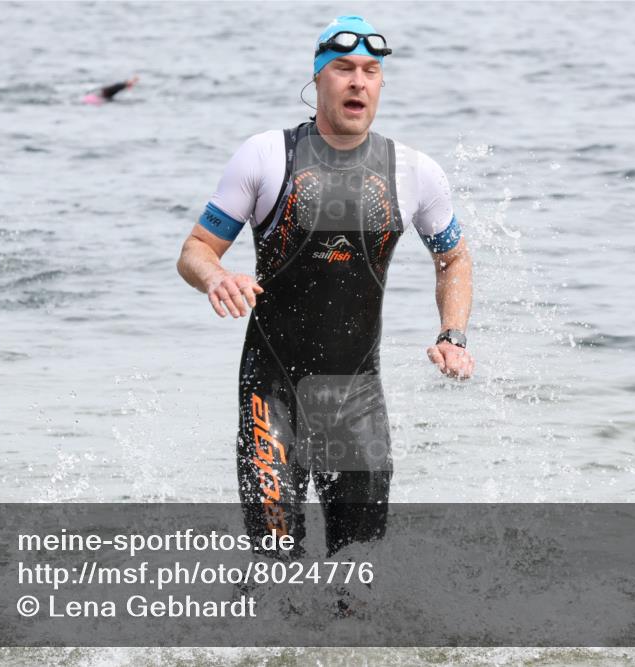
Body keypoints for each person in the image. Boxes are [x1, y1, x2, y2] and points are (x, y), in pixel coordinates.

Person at [176, 15, 474, 559]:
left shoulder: (414, 172)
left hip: (357, 404)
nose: (358, 80)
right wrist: (218, 277)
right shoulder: (267, 156)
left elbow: (453, 259)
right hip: (272, 395)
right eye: (342, 69)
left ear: (381, 83)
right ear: (317, 80)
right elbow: (195, 250)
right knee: (278, 565)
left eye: (370, 70)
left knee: (357, 583)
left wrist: (453, 334)